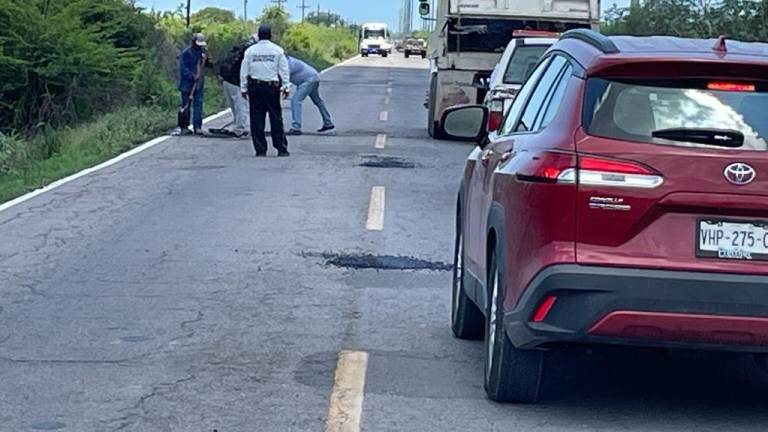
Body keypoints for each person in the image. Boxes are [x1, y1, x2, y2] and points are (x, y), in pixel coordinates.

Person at [240, 25, 290, 157]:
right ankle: (281, 148)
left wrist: (243, 87)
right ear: (270, 35)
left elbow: (244, 70)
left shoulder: (251, 51)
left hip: (255, 87)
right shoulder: (277, 50)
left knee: (256, 119)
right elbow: (284, 70)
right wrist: (286, 86)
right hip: (271, 88)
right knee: (276, 118)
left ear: (258, 35)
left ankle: (260, 149)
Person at [285, 56, 335, 136]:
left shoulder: (288, 64)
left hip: (308, 81)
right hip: (313, 77)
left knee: (295, 101)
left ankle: (296, 127)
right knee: (318, 101)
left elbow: (284, 78)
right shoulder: (290, 61)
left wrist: (284, 89)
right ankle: (328, 122)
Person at [218, 40, 254, 138]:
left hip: (227, 81)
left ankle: (238, 126)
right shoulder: (247, 56)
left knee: (235, 107)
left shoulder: (235, 54)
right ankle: (241, 129)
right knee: (240, 106)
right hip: (236, 83)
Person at [177, 33, 208, 135]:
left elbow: (204, 65)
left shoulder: (202, 53)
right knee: (186, 105)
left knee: (198, 104)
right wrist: (192, 76)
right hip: (186, 84)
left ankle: (197, 127)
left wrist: (206, 61)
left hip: (198, 84)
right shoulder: (186, 53)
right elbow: (183, 69)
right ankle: (184, 127)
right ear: (193, 42)